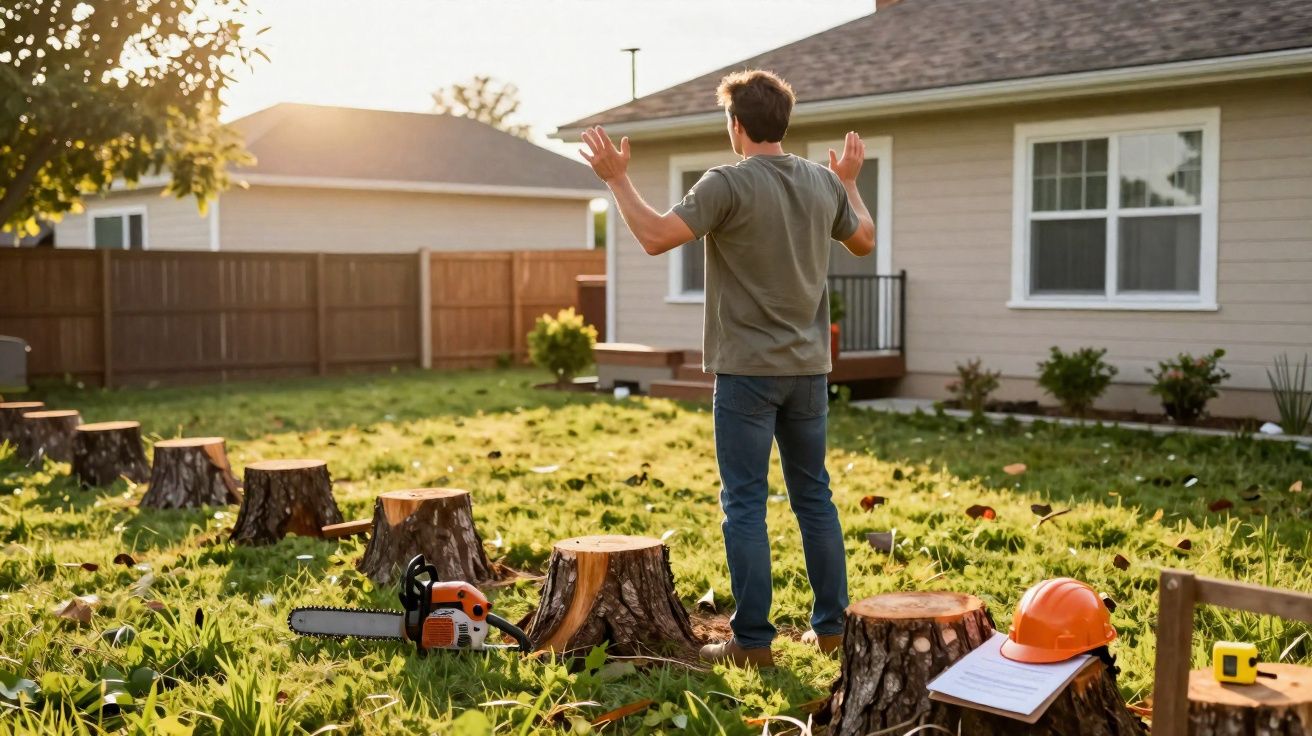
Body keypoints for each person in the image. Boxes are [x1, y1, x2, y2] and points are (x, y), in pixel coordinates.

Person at [578, 69, 876, 667]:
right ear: (783, 122)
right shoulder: (823, 183)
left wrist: (617, 180)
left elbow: (657, 237)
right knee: (814, 497)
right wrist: (849, 183)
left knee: (745, 503)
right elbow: (865, 239)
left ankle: (752, 644)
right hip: (810, 372)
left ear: (737, 126)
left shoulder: (726, 183)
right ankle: (833, 629)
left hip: (747, 373)